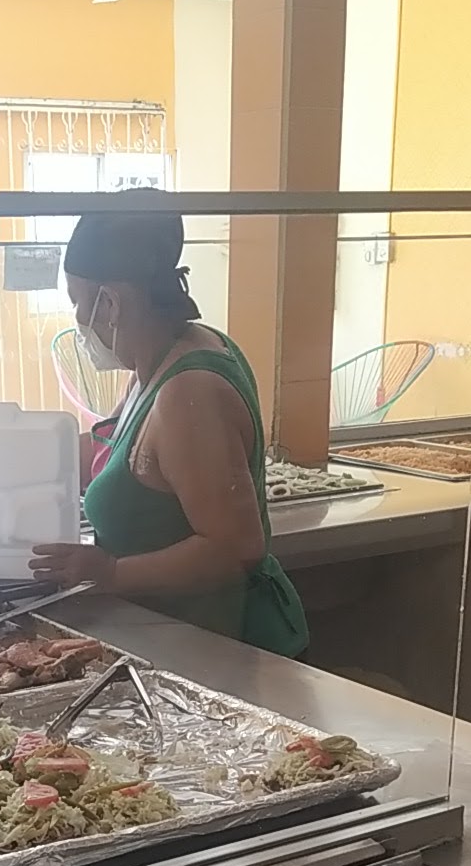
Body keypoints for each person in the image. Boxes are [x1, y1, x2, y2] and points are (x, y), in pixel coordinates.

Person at [30, 208, 309, 658]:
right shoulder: (154, 362)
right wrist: (7, 461)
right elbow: (107, 452)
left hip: (222, 647)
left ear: (110, 304)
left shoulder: (188, 392)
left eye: (77, 301)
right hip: (171, 635)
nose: (77, 318)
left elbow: (235, 549)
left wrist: (110, 573)